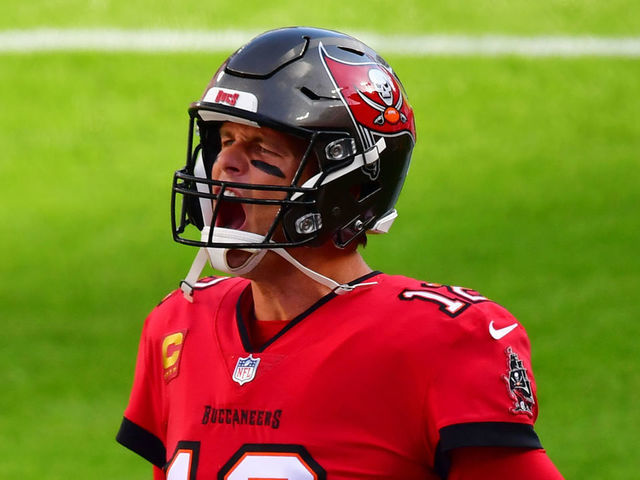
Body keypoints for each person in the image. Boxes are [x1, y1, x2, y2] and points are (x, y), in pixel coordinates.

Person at [116, 27, 563, 479]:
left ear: (347, 184)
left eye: (261, 148)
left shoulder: (439, 341)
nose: (223, 165)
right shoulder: (178, 325)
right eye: (225, 140)